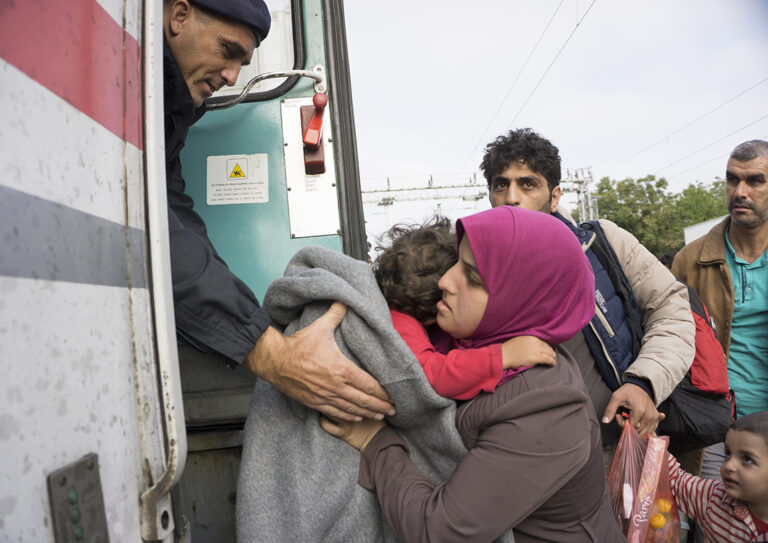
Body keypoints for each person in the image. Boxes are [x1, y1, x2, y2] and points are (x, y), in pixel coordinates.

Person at [322, 206, 625, 542]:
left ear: (518, 302)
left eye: (473, 277)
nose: (444, 281)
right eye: (456, 263)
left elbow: (437, 532)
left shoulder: (547, 412)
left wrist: (375, 441)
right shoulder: (466, 336)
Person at [162, 0, 394, 421]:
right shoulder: (120, 86)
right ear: (179, 16)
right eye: (228, 50)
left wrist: (251, 322)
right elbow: (153, 233)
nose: (233, 77)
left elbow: (176, 217)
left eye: (243, 63)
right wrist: (271, 355)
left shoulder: (167, 111)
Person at [480, 128, 695, 449]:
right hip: (520, 457)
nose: (512, 197)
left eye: (528, 184)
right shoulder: (471, 268)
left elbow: (672, 311)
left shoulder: (602, 244)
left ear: (554, 197)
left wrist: (643, 383)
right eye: (501, 185)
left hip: (616, 447)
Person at [373, 217, 556, 400]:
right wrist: (502, 356)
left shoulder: (395, 311)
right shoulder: (400, 324)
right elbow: (432, 377)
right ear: (437, 307)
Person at [672, 139, 768, 484]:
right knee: (715, 525)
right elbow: (668, 339)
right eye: (732, 180)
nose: (740, 191)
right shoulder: (690, 259)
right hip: (712, 428)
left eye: (756, 181)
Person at [665, 411, 768, 542]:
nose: (729, 465)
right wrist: (651, 438)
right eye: (728, 454)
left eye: (747, 459)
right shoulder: (715, 498)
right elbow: (676, 480)